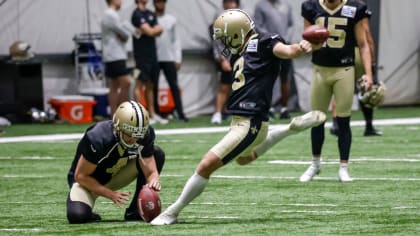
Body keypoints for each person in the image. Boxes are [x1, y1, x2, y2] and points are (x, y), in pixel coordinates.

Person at [150, 9, 326, 225]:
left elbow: (286, 50)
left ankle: (172, 212)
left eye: (225, 37)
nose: (224, 43)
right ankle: (289, 129)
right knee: (244, 159)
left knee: (205, 165)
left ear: (236, 33)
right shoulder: (239, 53)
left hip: (250, 123)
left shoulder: (264, 41)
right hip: (244, 124)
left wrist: (300, 47)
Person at [299, 0, 374, 183]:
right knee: (316, 120)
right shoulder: (310, 6)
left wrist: (369, 74)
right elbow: (307, 39)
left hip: (344, 70)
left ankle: (343, 167)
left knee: (343, 121)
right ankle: (315, 164)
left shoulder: (355, 8)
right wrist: (306, 44)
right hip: (320, 69)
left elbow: (363, 44)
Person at [66, 101, 165, 223]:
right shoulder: (98, 138)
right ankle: (90, 213)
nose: (134, 140)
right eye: (130, 135)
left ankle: (136, 210)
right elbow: (80, 176)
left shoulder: (144, 134)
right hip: (87, 182)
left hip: (115, 173)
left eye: (138, 135)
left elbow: (151, 172)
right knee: (77, 216)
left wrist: (153, 181)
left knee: (157, 153)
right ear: (118, 128)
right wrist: (110, 194)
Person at [254, 0, 295, 119]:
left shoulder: (287, 5)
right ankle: (268, 108)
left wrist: (285, 39)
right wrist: (272, 39)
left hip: (285, 46)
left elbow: (291, 25)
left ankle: (284, 109)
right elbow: (257, 25)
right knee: (267, 78)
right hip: (267, 47)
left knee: (285, 78)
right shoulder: (260, 5)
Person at [132, 0, 168, 125]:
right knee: (138, 85)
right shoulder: (136, 14)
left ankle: (152, 114)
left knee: (150, 85)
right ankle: (140, 115)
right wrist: (151, 30)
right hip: (140, 57)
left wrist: (151, 30)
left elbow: (159, 30)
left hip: (152, 56)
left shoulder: (150, 13)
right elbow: (152, 31)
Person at [153, 0, 188, 122]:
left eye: (162, 2)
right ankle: (155, 114)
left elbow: (176, 40)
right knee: (154, 87)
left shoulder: (171, 19)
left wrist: (177, 58)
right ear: (154, 4)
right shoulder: (150, 19)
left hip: (169, 58)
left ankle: (180, 113)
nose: (160, 4)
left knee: (174, 86)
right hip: (154, 59)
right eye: (158, 2)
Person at [101, 0, 138, 115]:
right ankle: (123, 114)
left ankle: (114, 115)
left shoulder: (113, 15)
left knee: (114, 85)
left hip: (115, 54)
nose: (121, 2)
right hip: (114, 55)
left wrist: (124, 34)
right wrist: (124, 34)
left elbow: (123, 34)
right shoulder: (110, 15)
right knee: (126, 82)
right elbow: (125, 33)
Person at [210, 0, 239, 125]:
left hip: (240, 55)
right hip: (226, 56)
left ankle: (237, 112)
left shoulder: (241, 16)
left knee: (240, 85)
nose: (231, 4)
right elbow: (217, 42)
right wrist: (223, 59)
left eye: (233, 2)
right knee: (224, 86)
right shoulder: (219, 18)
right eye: (228, 2)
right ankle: (217, 113)